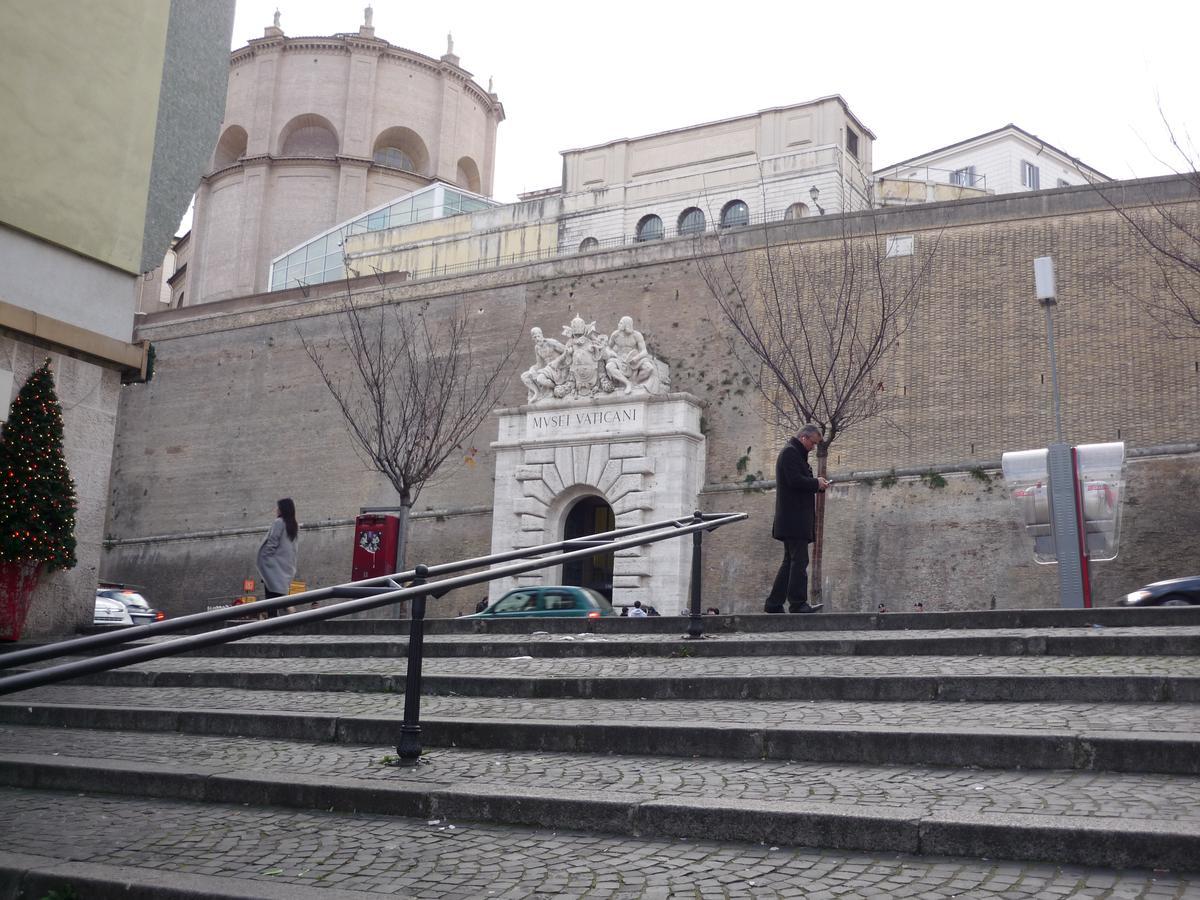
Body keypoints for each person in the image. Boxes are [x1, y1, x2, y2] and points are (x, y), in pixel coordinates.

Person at [764, 424, 828, 614]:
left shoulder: (794, 453)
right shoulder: (790, 453)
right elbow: (794, 481)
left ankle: (774, 604)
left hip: (793, 519)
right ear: (804, 438)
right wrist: (816, 482)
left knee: (789, 562)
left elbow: (798, 481)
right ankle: (797, 603)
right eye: (813, 443)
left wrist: (817, 485)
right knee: (799, 561)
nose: (813, 448)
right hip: (794, 519)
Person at [257, 498, 299, 618]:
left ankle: (276, 622)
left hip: (272, 567)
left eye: (278, 507)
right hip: (285, 567)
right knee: (279, 596)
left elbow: (272, 544)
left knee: (271, 599)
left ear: (283, 509)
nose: (276, 510)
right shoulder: (294, 525)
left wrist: (264, 561)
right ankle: (291, 614)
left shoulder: (279, 522)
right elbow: (293, 549)